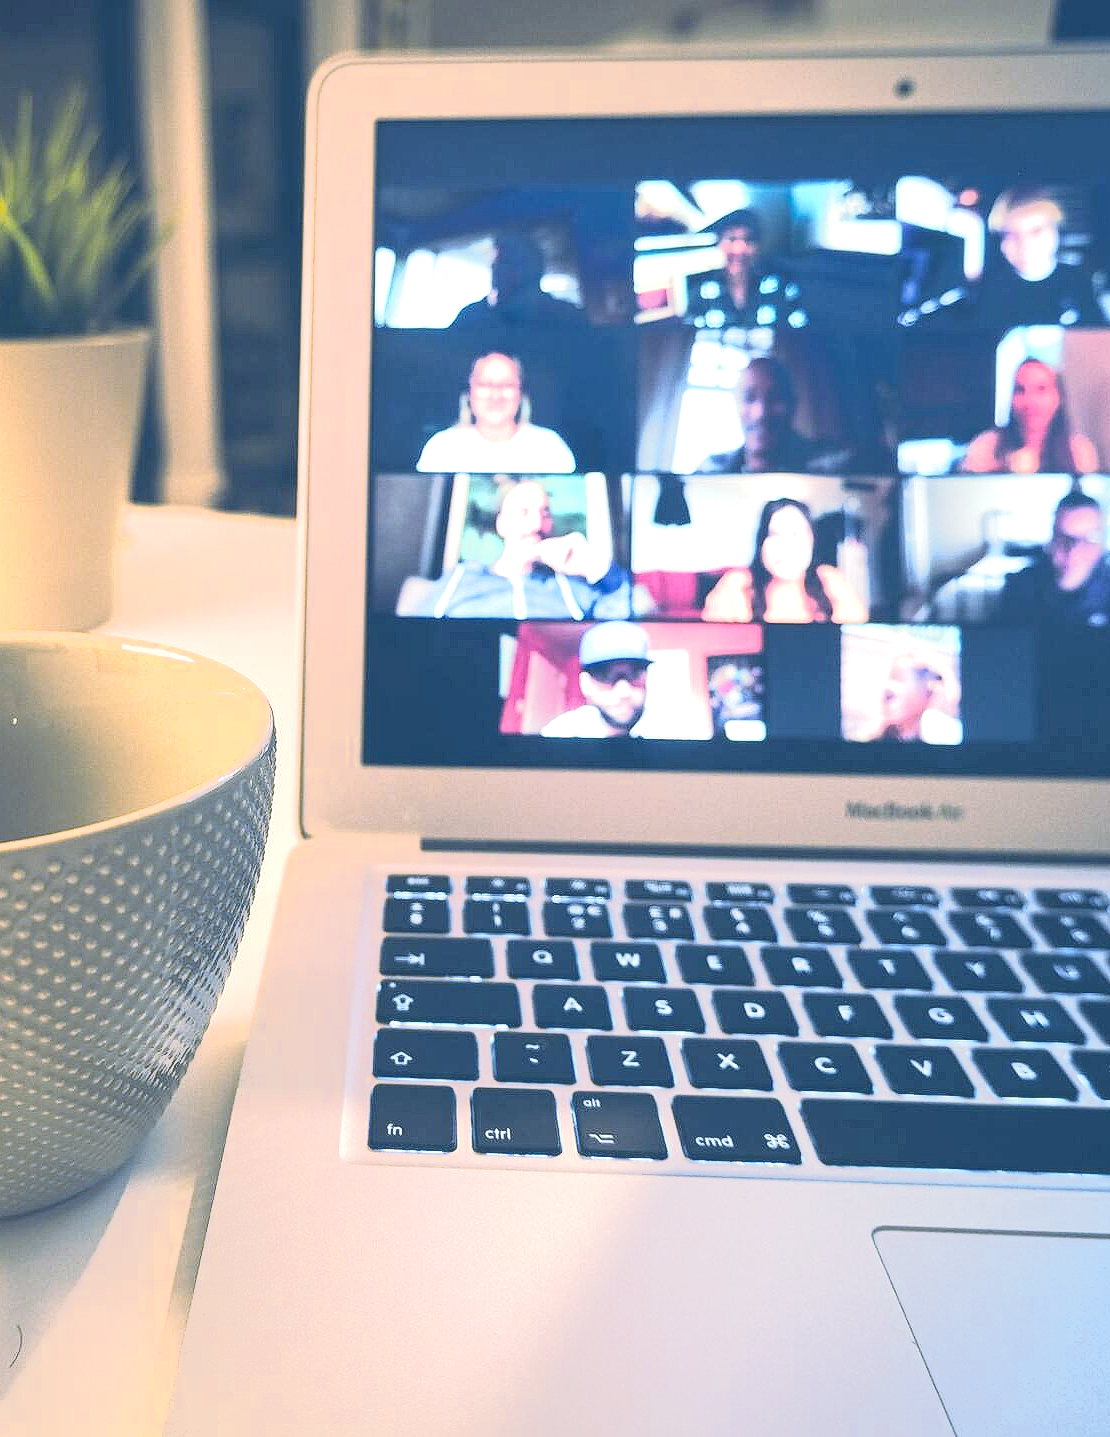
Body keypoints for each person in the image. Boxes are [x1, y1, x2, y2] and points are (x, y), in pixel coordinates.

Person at [415, 478, 631, 620]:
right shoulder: (461, 579)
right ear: (501, 523)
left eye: (545, 513)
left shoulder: (568, 587)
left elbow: (619, 622)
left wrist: (595, 567)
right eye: (524, 512)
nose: (537, 524)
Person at [702, 497, 868, 623]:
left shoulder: (829, 578)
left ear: (812, 541)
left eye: (795, 534)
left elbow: (855, 628)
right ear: (761, 543)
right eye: (775, 534)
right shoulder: (737, 582)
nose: (786, 546)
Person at [416, 352, 576, 474]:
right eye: (485, 384)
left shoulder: (550, 447)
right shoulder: (440, 448)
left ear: (520, 393)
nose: (496, 395)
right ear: (469, 392)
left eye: (507, 384)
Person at [974, 188, 1104, 329]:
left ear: (1055, 232)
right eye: (1011, 235)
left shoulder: (1080, 279)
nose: (1025, 244)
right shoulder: (991, 290)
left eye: (1036, 231)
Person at [696, 356, 849, 475]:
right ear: (736, 405)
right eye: (749, 398)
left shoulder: (833, 467)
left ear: (792, 404)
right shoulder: (710, 469)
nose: (761, 414)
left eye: (775, 398)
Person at [960, 357, 1098, 475]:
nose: (1030, 401)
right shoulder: (985, 447)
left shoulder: (1080, 452)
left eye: (1041, 389)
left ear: (1059, 397)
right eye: (1020, 390)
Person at [996, 489, 1110, 628]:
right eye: (1064, 538)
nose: (1073, 551)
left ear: (1103, 544)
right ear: (1051, 540)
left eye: (1089, 539)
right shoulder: (1020, 587)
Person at [449, 232, 586, 335]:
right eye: (496, 261)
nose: (496, 268)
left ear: (531, 268)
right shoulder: (472, 317)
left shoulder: (564, 318)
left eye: (506, 262)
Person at [541, 622, 657, 737]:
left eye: (636, 673)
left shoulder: (667, 732)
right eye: (605, 675)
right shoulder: (560, 734)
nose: (624, 692)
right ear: (585, 684)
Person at [685, 208, 769, 328]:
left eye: (748, 239)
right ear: (717, 243)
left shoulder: (778, 285)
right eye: (731, 239)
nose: (739, 249)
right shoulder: (696, 290)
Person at [865, 650, 963, 744]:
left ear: (928, 693)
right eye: (891, 677)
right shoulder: (876, 739)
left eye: (899, 678)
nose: (888, 689)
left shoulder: (947, 736)